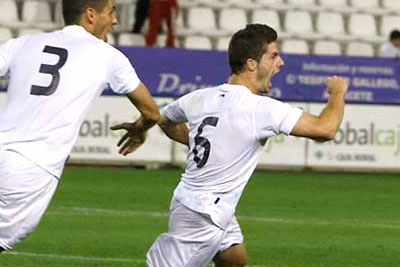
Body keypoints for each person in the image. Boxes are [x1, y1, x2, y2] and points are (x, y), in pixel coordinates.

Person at [114, 24, 348, 267]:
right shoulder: (260, 109)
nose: (281, 63)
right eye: (274, 56)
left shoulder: (200, 97)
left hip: (196, 202)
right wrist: (337, 93)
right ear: (251, 64)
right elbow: (325, 129)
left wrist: (142, 127)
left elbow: (163, 118)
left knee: (234, 259)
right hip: (205, 215)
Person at [0, 0, 160, 252]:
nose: (115, 21)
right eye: (111, 12)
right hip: (30, 167)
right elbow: (151, 111)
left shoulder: (23, 43)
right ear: (91, 15)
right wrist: (141, 128)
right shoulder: (109, 56)